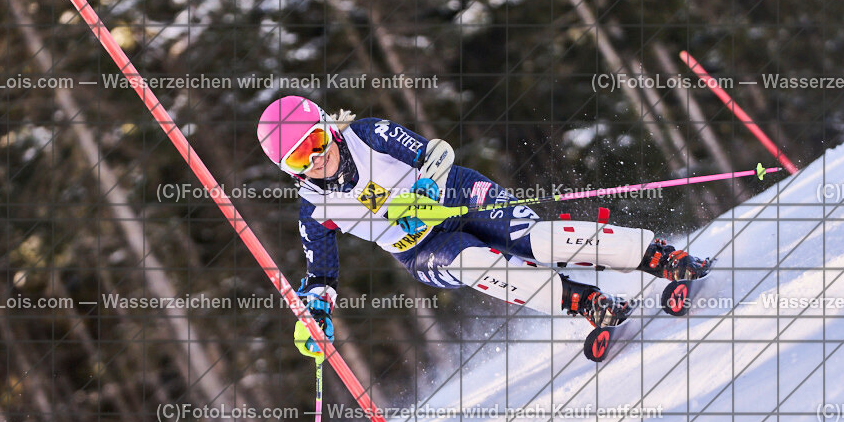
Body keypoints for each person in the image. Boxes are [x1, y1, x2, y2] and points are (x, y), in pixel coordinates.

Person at [255, 95, 712, 359]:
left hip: (457, 195)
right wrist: (314, 314)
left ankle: (657, 256)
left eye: (315, 142)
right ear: (289, 169)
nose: (316, 159)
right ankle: (586, 302)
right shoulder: (314, 209)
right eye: (299, 157)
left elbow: (434, 152)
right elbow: (321, 277)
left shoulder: (366, 134)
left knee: (537, 240)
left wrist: (426, 191)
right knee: (480, 264)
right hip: (421, 250)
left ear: (326, 128)